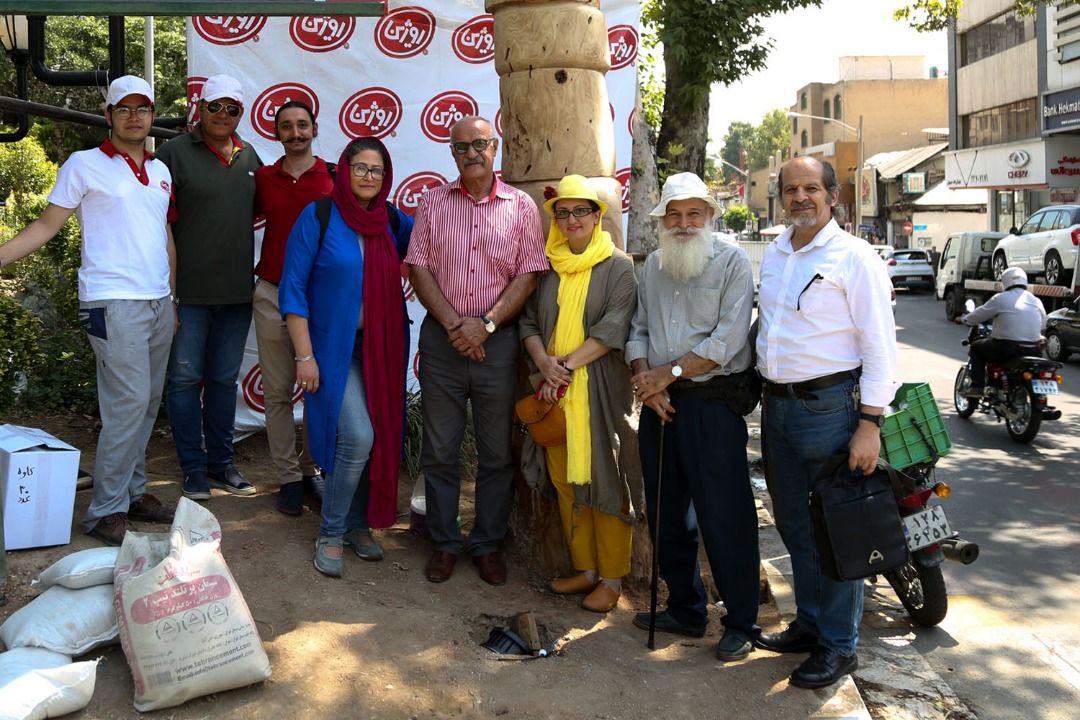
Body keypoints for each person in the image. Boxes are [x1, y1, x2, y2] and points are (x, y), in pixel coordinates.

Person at [0, 75, 176, 546]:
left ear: (152, 116)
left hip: (157, 301)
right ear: (109, 116)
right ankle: (106, 510)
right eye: (124, 109)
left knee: (146, 403)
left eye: (143, 109)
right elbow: (46, 224)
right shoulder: (84, 164)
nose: (134, 116)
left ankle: (133, 492)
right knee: (127, 404)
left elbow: (164, 237)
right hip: (111, 300)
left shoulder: (161, 171)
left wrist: (172, 298)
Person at [755, 156, 897, 689]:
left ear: (833, 196)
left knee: (839, 532)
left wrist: (870, 424)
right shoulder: (773, 254)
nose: (800, 198)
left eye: (811, 188)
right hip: (777, 409)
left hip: (831, 410)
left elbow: (880, 347)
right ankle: (812, 625)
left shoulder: (854, 257)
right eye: (791, 190)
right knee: (794, 523)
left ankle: (840, 646)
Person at [625, 171, 761, 661]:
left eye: (693, 213)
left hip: (711, 405)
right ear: (663, 220)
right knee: (666, 515)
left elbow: (727, 342)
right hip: (661, 405)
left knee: (725, 516)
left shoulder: (732, 262)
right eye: (674, 215)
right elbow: (637, 330)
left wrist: (669, 374)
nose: (683, 223)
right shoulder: (655, 266)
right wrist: (647, 379)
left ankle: (742, 621)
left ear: (708, 217)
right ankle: (685, 607)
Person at [406, 116, 547, 586]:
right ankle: (445, 542)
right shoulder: (432, 202)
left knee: (495, 454)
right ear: (452, 153)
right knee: (441, 451)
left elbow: (528, 273)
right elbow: (418, 267)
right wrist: (455, 325)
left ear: (495, 147)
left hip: (498, 343)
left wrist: (484, 326)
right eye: (462, 146)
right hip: (444, 344)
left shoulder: (522, 207)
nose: (472, 153)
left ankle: (487, 544)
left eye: (480, 144)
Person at [279, 136, 413, 578]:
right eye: (361, 169)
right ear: (345, 171)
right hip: (332, 351)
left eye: (377, 171)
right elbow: (293, 290)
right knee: (357, 436)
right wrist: (304, 357)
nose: (369, 178)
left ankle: (358, 525)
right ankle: (331, 532)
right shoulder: (318, 216)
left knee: (377, 437)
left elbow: (441, 246)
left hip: (382, 348)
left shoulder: (393, 222)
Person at [519, 175, 641, 613]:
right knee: (566, 482)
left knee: (608, 484)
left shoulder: (618, 267)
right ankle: (586, 570)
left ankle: (611, 579)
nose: (571, 220)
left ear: (597, 217)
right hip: (553, 394)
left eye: (581, 211)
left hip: (600, 395)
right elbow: (529, 324)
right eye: (563, 212)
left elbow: (613, 330)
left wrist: (565, 366)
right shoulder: (548, 267)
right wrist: (545, 363)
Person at [156, 74, 262, 501]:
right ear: (199, 108)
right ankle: (193, 469)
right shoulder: (172, 154)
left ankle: (222, 464)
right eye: (214, 106)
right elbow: (155, 225)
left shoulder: (249, 155)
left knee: (222, 382)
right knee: (183, 382)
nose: (222, 115)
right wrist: (169, 294)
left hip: (237, 296)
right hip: (188, 296)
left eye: (232, 109)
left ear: (241, 114)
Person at [253, 101, 334, 514]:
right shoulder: (264, 178)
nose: (296, 132)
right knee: (279, 391)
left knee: (316, 389)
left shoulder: (334, 176)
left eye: (302, 125)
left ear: (314, 129)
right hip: (271, 293)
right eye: (287, 126)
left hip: (319, 300)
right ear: (278, 133)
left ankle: (310, 471)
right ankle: (287, 476)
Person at [961, 265, 1046, 395]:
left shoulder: (1000, 298)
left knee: (976, 348)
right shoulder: (1036, 300)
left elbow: (980, 314)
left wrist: (965, 319)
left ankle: (977, 387)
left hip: (1006, 348)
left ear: (1005, 281)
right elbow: (1042, 325)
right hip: (1034, 350)